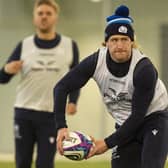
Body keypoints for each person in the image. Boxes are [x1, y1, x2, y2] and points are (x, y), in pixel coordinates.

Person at [54, 5, 168, 168]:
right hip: (124, 124)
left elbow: (137, 116)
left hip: (154, 120)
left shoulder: (144, 70)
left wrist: (106, 144)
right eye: (114, 40)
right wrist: (61, 127)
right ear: (106, 42)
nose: (119, 45)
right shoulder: (95, 62)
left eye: (124, 39)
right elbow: (61, 87)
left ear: (132, 42)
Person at [0, 0, 80, 168]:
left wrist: (73, 101)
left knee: (45, 164)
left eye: (48, 13)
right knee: (22, 163)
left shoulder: (69, 46)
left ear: (56, 17)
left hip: (51, 116)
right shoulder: (24, 45)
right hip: (24, 113)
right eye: (40, 13)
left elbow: (76, 79)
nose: (44, 17)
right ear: (34, 18)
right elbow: (3, 78)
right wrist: (7, 70)